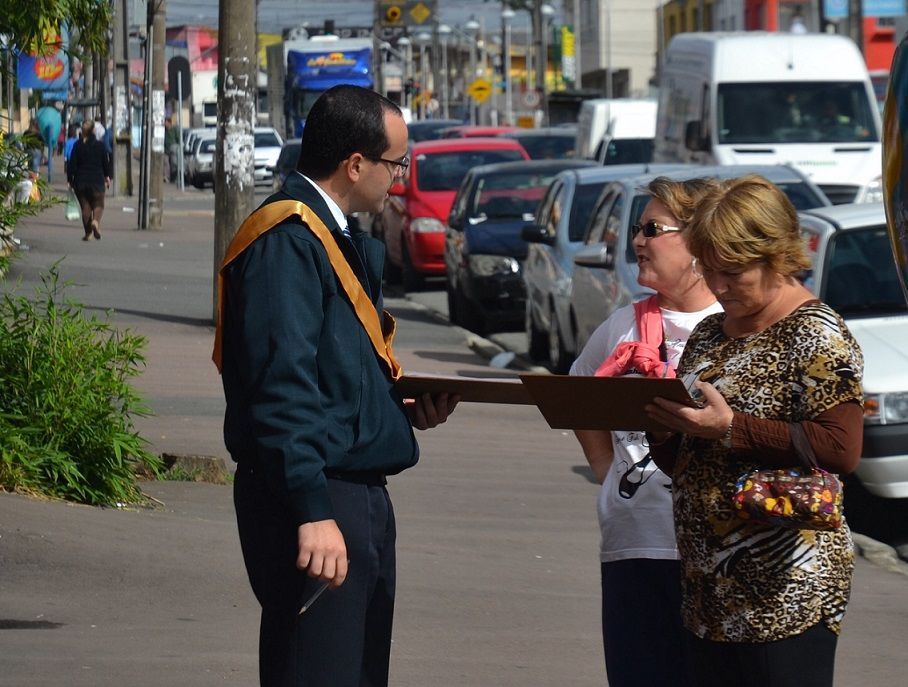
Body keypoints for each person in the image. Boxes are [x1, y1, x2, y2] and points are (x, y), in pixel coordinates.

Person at [213, 84, 458, 687]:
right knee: (316, 669)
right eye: (395, 163)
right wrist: (312, 509)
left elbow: (336, 375)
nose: (399, 178)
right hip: (319, 497)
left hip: (354, 495)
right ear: (354, 164)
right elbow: (281, 386)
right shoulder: (289, 238)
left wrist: (396, 411)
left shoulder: (331, 232)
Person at [645, 175, 864, 687]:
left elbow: (841, 449)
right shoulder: (709, 333)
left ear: (776, 255)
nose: (718, 287)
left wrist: (730, 428)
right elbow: (685, 462)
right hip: (708, 592)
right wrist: (658, 423)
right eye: (708, 269)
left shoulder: (816, 332)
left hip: (785, 591)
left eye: (732, 272)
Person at [570, 176, 723, 687]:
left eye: (652, 229)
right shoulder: (623, 325)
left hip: (715, 551)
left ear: (699, 241)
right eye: (638, 228)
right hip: (635, 544)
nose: (637, 240)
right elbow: (576, 391)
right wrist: (606, 469)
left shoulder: (733, 324)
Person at [67, 120, 112, 241]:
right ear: (93, 130)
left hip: (80, 182)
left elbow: (72, 164)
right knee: (99, 204)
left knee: (85, 208)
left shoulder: (77, 145)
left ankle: (88, 233)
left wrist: (70, 179)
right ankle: (95, 221)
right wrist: (107, 176)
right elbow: (105, 163)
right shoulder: (100, 145)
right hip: (97, 180)